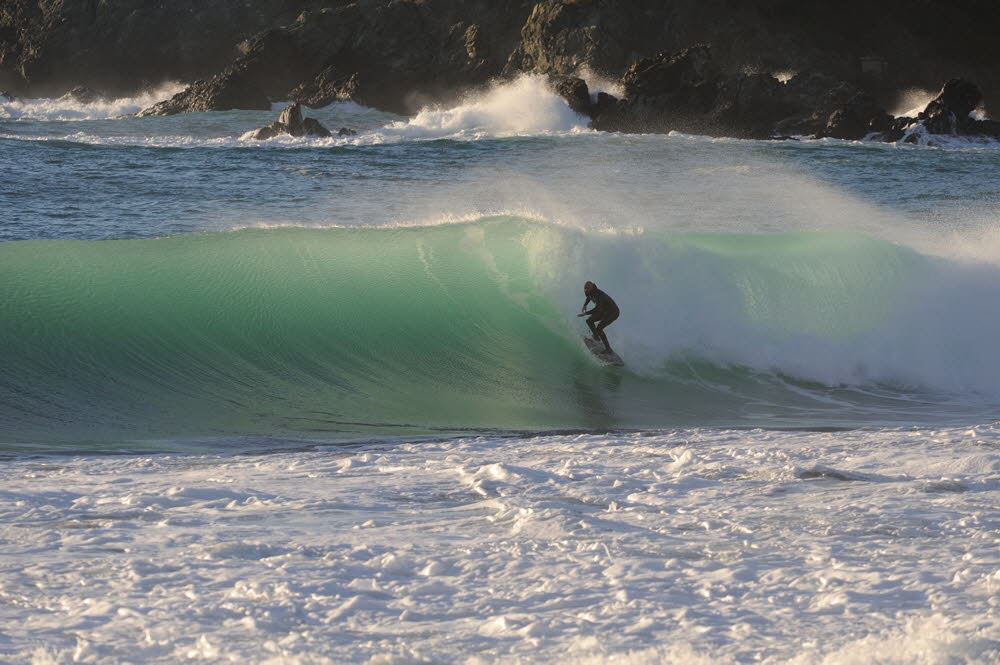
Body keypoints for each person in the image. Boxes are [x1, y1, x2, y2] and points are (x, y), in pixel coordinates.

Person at [578, 281, 620, 353]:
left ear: (592, 287)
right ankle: (596, 337)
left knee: (599, 328)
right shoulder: (589, 292)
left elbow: (597, 309)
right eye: (585, 289)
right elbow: (589, 297)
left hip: (613, 312)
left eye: (587, 289)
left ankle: (608, 349)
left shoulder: (600, 295)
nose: (586, 290)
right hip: (604, 310)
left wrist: (586, 313)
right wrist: (585, 305)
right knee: (589, 320)